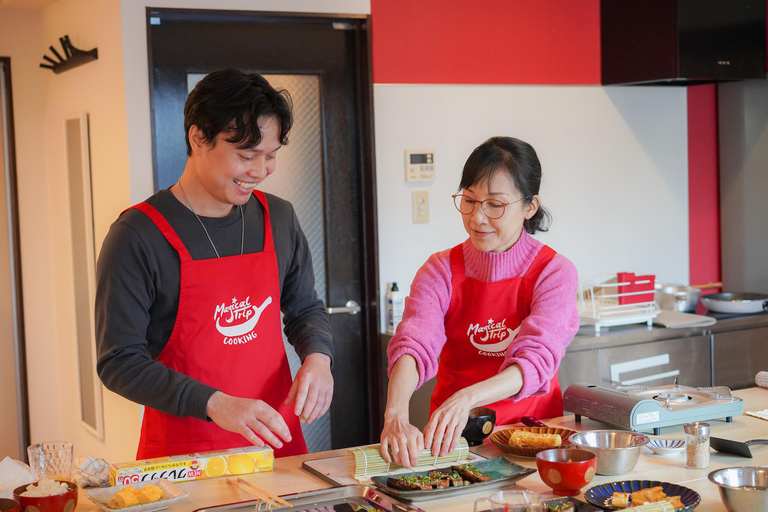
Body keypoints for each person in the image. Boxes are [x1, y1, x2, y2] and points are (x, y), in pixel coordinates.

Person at [96, 68, 333, 460]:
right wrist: (216, 404)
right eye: (245, 155)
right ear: (198, 138)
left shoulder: (280, 217)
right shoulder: (138, 235)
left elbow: (305, 308)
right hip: (184, 456)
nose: (259, 171)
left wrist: (319, 358)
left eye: (270, 156)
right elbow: (118, 362)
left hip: (274, 446)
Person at [380, 136, 579, 468]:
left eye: (495, 204)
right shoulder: (440, 269)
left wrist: (467, 397)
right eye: (469, 200)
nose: (478, 217)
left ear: (530, 206)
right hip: (453, 438)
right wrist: (396, 413)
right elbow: (415, 343)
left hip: (532, 439)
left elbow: (534, 361)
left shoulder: (554, 272)